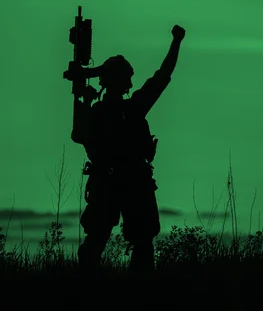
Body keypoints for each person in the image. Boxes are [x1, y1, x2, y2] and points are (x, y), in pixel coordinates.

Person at [72, 24, 186, 276]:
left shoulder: (97, 112)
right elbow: (163, 75)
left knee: (99, 240)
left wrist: (85, 100)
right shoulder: (133, 108)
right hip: (130, 181)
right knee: (137, 242)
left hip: (111, 181)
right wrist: (176, 42)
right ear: (124, 82)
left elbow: (78, 135)